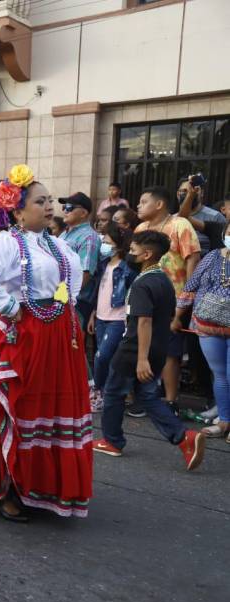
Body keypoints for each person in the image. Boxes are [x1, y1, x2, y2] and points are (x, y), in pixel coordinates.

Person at [0, 164, 93, 522]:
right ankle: (5, 486)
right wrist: (9, 306)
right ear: (17, 210)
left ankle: (39, 482)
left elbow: (75, 280)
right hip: (21, 335)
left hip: (56, 335)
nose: (49, 206)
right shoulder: (6, 244)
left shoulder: (58, 245)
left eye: (50, 200)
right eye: (40, 201)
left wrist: (63, 308)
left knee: (45, 409)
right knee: (16, 406)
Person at [93, 231, 205, 470]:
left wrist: (141, 359)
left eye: (133, 249)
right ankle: (184, 437)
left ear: (147, 254)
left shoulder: (144, 282)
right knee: (147, 396)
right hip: (156, 348)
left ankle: (112, 441)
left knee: (113, 393)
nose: (130, 253)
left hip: (135, 350)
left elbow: (143, 321)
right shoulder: (163, 279)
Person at [135, 186, 200, 410]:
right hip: (144, 297)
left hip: (174, 300)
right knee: (143, 346)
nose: (138, 206)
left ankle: (171, 401)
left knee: (170, 353)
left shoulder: (180, 224)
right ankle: (144, 397)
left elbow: (192, 260)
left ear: (160, 204)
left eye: (144, 202)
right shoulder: (141, 228)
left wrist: (185, 300)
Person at [174, 220, 230, 442]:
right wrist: (178, 315)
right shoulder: (213, 256)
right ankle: (224, 420)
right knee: (220, 374)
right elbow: (191, 285)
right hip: (207, 324)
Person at [86, 222, 136, 411]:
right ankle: (110, 396)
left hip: (118, 319)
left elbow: (132, 295)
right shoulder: (103, 265)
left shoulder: (128, 269)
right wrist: (93, 315)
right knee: (106, 357)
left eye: (107, 241)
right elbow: (99, 292)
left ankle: (98, 392)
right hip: (100, 318)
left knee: (102, 356)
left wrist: (129, 320)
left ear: (119, 245)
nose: (103, 245)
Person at [58, 192, 100, 325]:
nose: (65, 211)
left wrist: (65, 298)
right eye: (64, 207)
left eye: (70, 207)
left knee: (72, 342)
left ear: (83, 213)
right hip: (58, 298)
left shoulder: (89, 237)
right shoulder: (64, 234)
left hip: (75, 302)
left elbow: (85, 273)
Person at [177, 175, 226, 255]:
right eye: (184, 191)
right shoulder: (172, 219)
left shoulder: (215, 217)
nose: (189, 192)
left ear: (202, 193)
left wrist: (191, 194)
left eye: (193, 190)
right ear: (178, 194)